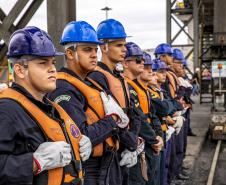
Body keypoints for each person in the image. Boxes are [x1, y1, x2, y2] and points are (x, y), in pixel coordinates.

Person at [0, 26, 92, 185]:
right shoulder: (7, 110)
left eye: (53, 62)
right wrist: (33, 162)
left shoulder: (50, 107)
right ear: (20, 70)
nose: (52, 69)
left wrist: (79, 142)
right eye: (43, 63)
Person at [48, 21, 133, 185]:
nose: (94, 54)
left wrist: (134, 144)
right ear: (70, 53)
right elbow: (80, 137)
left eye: (95, 49)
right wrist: (113, 120)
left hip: (108, 162)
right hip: (90, 170)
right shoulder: (64, 88)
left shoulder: (92, 83)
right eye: (87, 49)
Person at [87, 19, 142, 185]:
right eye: (119, 45)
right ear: (104, 47)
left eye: (124, 44)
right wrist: (131, 142)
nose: (124, 49)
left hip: (125, 148)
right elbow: (111, 117)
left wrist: (134, 140)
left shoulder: (119, 76)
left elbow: (132, 112)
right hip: (112, 153)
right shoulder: (97, 76)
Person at [122, 42, 164, 185]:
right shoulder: (125, 87)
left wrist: (159, 136)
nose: (143, 63)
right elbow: (138, 117)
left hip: (150, 141)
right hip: (140, 144)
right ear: (126, 63)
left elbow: (152, 114)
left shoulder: (142, 89)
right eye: (138, 60)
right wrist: (154, 140)